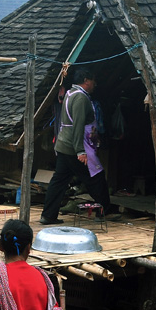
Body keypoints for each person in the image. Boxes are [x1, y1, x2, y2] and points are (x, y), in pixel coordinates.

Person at [40, 67, 113, 224]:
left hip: (64, 145)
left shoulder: (70, 93)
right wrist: (80, 151)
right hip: (75, 147)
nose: (95, 84)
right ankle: (104, 211)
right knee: (96, 177)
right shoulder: (80, 98)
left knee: (59, 180)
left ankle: (48, 215)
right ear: (86, 80)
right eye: (93, 81)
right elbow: (78, 124)